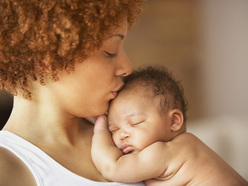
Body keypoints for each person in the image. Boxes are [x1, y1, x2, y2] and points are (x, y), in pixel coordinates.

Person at [0, 1, 145, 185]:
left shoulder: (129, 130)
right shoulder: (6, 169)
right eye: (110, 51)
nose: (126, 68)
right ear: (49, 56)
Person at [92, 66, 248, 186]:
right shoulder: (189, 144)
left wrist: (100, 129)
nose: (122, 135)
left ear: (173, 121)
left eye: (135, 123)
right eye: (113, 130)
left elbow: (112, 168)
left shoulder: (163, 152)